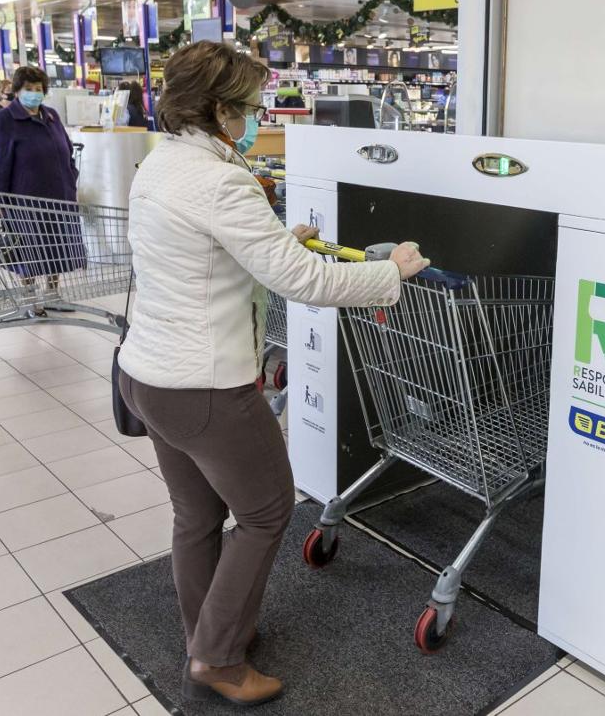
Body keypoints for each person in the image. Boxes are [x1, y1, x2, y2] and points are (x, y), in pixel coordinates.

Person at [118, 41, 429, 706]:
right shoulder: (221, 179)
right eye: (254, 107)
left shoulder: (162, 163)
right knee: (266, 512)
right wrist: (389, 273)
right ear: (223, 110)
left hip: (147, 375)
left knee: (195, 516)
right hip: (203, 386)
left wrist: (280, 239)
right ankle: (221, 660)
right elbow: (304, 282)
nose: (261, 118)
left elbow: (203, 253)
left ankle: (206, 634)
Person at [0, 66, 85, 314]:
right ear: (17, 91)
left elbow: (67, 149)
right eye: (28, 89)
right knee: (30, 250)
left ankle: (53, 293)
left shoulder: (51, 115)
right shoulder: (5, 120)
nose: (34, 94)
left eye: (38, 89)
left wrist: (72, 176)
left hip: (60, 195)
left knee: (58, 248)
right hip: (25, 199)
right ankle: (30, 297)